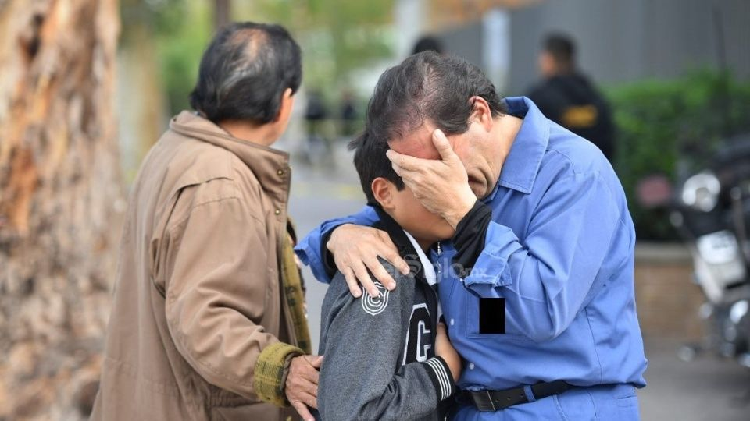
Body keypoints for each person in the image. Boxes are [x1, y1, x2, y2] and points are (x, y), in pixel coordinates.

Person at [297, 52, 647, 420]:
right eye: (419, 175)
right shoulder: (442, 185)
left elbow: (543, 311)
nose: (436, 184)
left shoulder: (574, 174)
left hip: (561, 405)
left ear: (479, 113)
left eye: (441, 160)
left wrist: (465, 214)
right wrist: (339, 236)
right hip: (468, 407)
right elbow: (363, 232)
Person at [92, 22, 320, 421]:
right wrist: (283, 370)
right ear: (285, 103)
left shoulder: (176, 148)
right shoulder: (220, 183)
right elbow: (205, 319)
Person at [315, 132, 460, 421]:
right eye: (431, 179)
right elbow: (352, 413)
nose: (454, 192)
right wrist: (441, 373)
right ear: (384, 193)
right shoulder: (381, 273)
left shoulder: (435, 258)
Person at [527, 33, 616, 163]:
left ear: (548, 59)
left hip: (554, 176)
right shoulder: (595, 97)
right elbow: (609, 143)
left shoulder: (538, 98)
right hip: (593, 174)